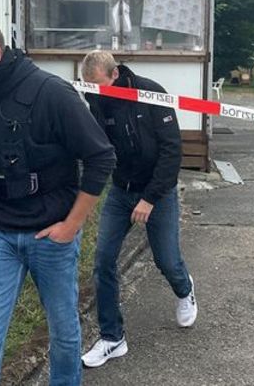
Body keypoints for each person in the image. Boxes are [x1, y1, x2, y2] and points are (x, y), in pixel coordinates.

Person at [0, 17, 115, 386]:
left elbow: (101, 157)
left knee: (64, 331)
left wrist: (72, 225)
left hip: (50, 235)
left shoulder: (50, 93)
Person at [79, 50, 198, 368]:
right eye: (88, 86)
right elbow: (97, 145)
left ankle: (185, 289)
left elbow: (173, 152)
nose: (94, 91)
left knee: (167, 261)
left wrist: (150, 199)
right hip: (120, 191)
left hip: (157, 192)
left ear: (114, 74)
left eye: (98, 84)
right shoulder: (96, 98)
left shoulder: (151, 93)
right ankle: (112, 337)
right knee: (103, 261)